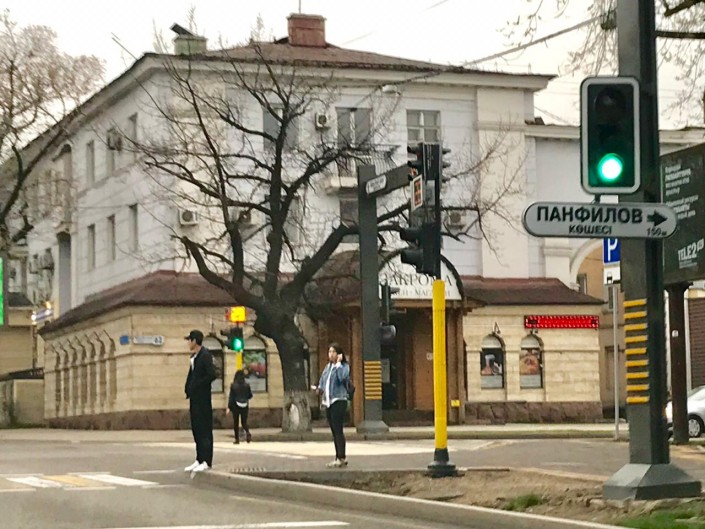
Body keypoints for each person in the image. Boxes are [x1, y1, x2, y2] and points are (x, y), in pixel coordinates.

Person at [311, 342, 350, 468]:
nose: (331, 354)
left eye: (334, 352)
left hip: (338, 400)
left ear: (339, 354)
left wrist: (338, 364)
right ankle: (339, 456)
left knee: (338, 430)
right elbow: (323, 382)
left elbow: (341, 378)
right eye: (329, 352)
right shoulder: (328, 367)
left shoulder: (343, 367)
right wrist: (318, 389)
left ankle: (341, 457)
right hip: (328, 402)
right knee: (334, 431)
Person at [183, 329, 217, 473]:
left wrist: (197, 386)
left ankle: (206, 461)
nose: (188, 343)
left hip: (203, 399)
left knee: (204, 430)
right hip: (195, 398)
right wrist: (188, 389)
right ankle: (199, 458)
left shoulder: (205, 355)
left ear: (195, 341)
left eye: (189, 340)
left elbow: (212, 374)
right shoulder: (195, 357)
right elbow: (192, 375)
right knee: (196, 429)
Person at [226, 369, 253, 444]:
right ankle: (247, 432)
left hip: (236, 405)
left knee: (236, 422)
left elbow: (231, 397)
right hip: (245, 405)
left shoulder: (233, 385)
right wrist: (245, 397)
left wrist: (229, 407)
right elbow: (250, 395)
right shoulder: (247, 385)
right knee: (244, 422)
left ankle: (237, 439)